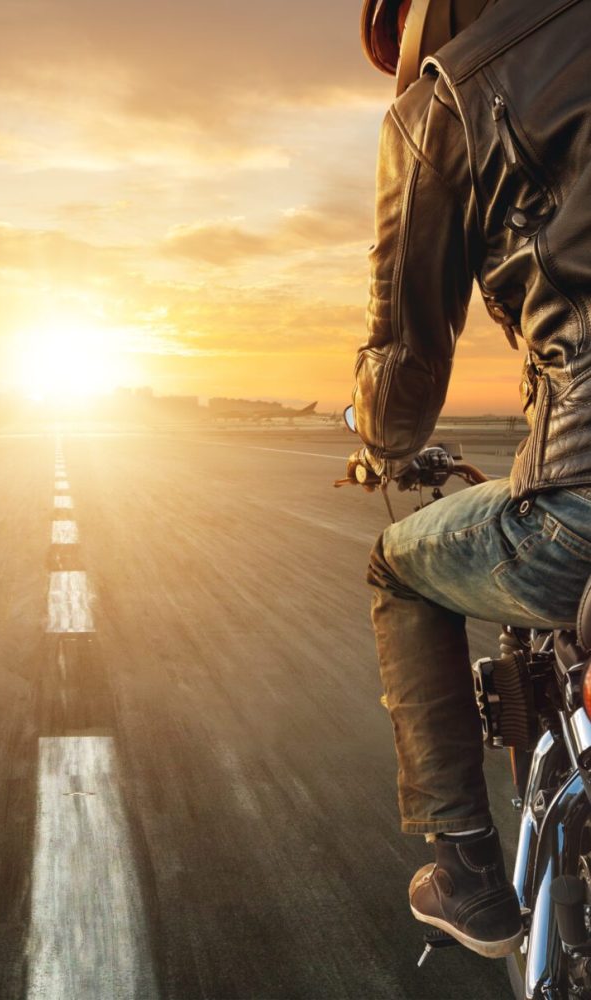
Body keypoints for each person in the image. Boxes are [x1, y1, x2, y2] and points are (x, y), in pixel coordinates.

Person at [352, 0, 591, 959]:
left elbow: (405, 376)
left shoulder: (438, 104)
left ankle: (468, 872)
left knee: (396, 570)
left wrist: (377, 435)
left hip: (577, 497)